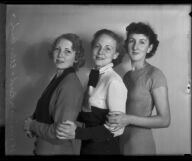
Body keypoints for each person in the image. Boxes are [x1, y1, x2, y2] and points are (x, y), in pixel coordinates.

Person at [55, 29, 127, 155]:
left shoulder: (114, 82)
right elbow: (89, 113)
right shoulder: (94, 75)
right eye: (97, 46)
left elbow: (116, 129)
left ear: (116, 54)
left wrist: (77, 133)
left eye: (108, 49)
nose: (100, 52)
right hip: (89, 146)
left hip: (106, 149)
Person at [106, 22, 171, 155]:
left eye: (142, 42)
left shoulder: (155, 74)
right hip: (120, 141)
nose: (135, 47)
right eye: (132, 41)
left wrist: (128, 119)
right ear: (127, 45)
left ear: (149, 47)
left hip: (140, 145)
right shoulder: (126, 76)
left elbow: (165, 120)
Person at [23, 33, 85, 155]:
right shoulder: (59, 78)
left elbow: (60, 134)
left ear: (76, 57)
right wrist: (33, 122)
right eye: (57, 49)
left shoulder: (70, 85)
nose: (60, 54)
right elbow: (47, 113)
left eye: (67, 51)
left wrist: (32, 125)